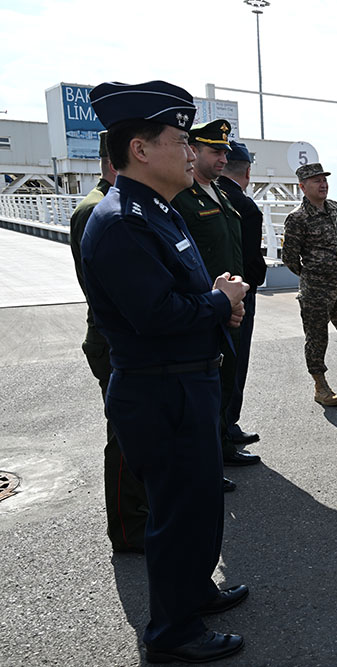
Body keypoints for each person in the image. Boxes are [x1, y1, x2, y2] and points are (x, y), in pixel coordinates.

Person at [82, 80, 249, 663]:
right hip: (160, 387)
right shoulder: (123, 221)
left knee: (199, 500)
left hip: (188, 378)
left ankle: (193, 591)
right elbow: (155, 315)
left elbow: (186, 291)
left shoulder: (159, 210)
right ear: (141, 150)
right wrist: (219, 303)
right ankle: (171, 632)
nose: (190, 151)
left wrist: (216, 298)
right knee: (177, 509)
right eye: (180, 140)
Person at [69, 130, 148, 553]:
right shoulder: (98, 209)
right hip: (111, 337)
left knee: (136, 431)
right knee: (123, 435)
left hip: (118, 334)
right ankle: (127, 527)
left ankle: (140, 513)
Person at [172, 119, 260, 470]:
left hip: (230, 303)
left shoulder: (219, 193)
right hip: (206, 305)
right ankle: (208, 460)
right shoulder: (183, 196)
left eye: (225, 151)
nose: (223, 158)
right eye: (215, 151)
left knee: (228, 376)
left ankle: (222, 441)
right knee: (206, 388)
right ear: (193, 150)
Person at [282, 162, 337, 407]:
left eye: (324, 179)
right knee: (317, 338)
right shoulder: (297, 218)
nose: (323, 184)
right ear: (303, 187)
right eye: (316, 181)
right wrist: (311, 275)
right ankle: (320, 386)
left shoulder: (336, 208)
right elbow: (289, 257)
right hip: (315, 290)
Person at [217, 140, 267, 446]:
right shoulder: (244, 205)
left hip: (212, 290)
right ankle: (228, 426)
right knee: (235, 362)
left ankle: (220, 427)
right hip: (239, 293)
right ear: (247, 171)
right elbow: (251, 259)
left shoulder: (208, 195)